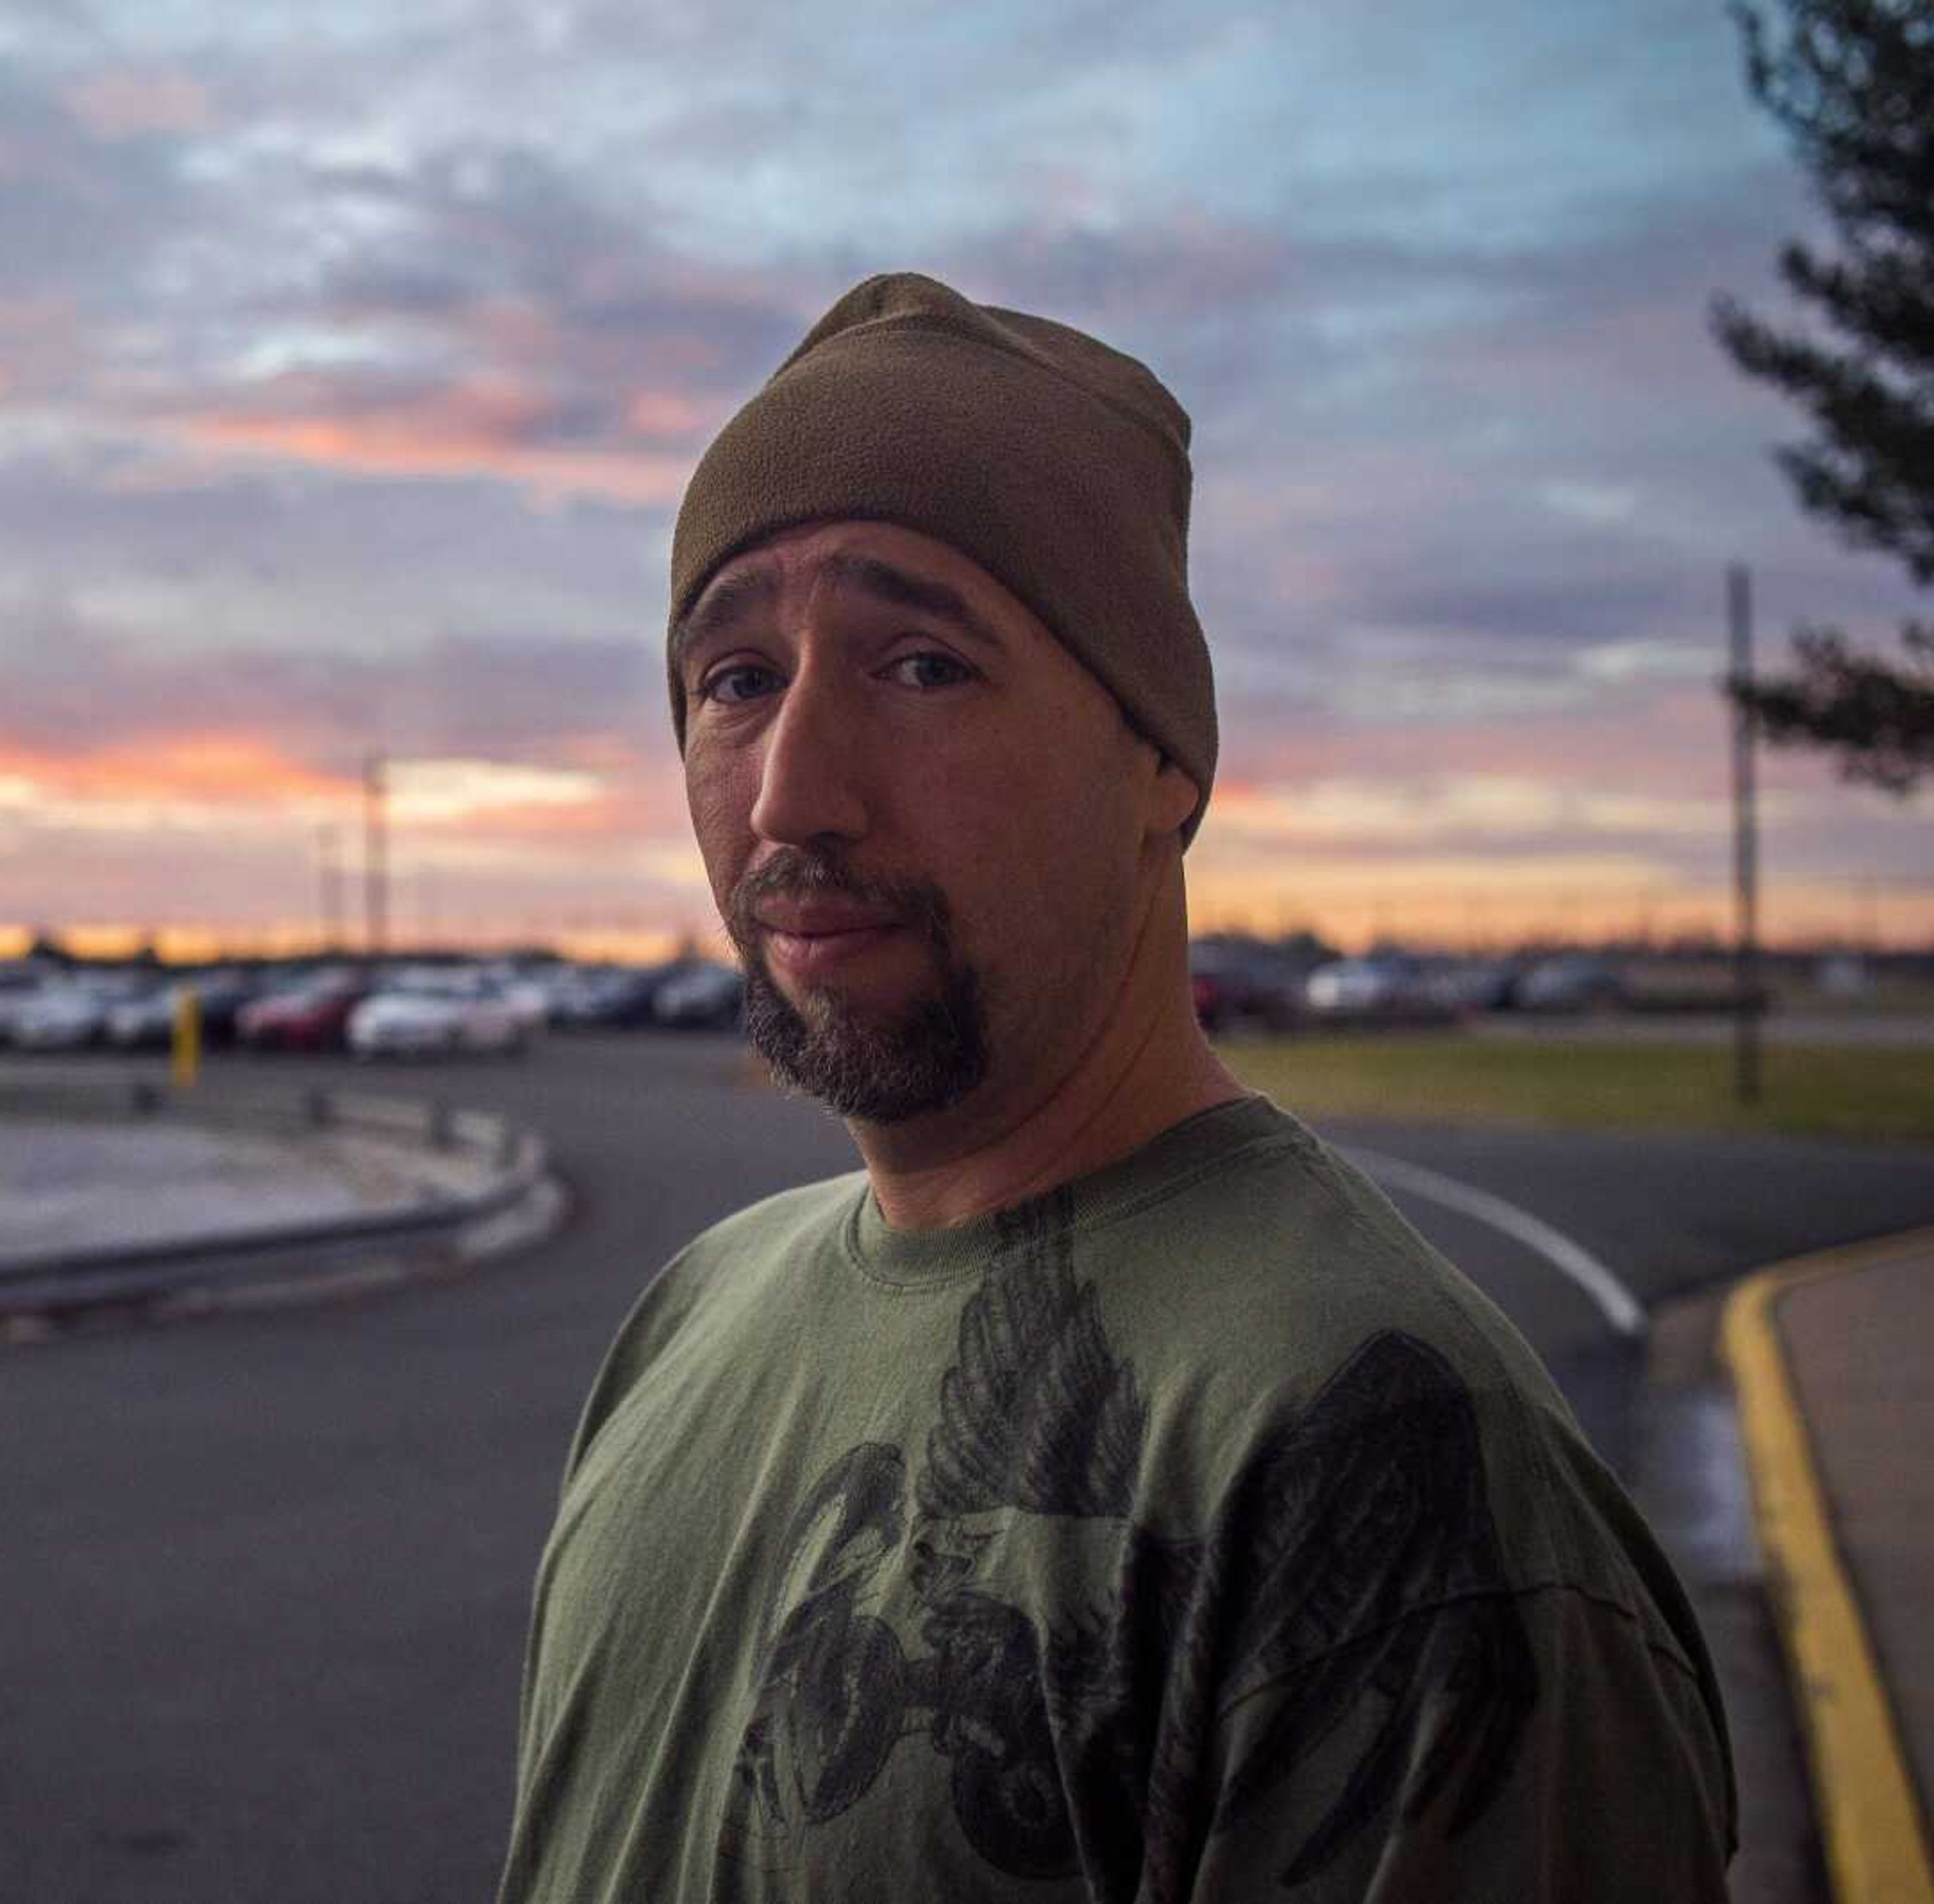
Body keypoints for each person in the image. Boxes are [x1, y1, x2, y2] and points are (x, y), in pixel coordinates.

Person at [496, 273, 1734, 1902]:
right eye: (735, 679)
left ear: (1162, 759)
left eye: (923, 664)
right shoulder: (690, 1314)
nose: (794, 790)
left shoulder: (1373, 1453)